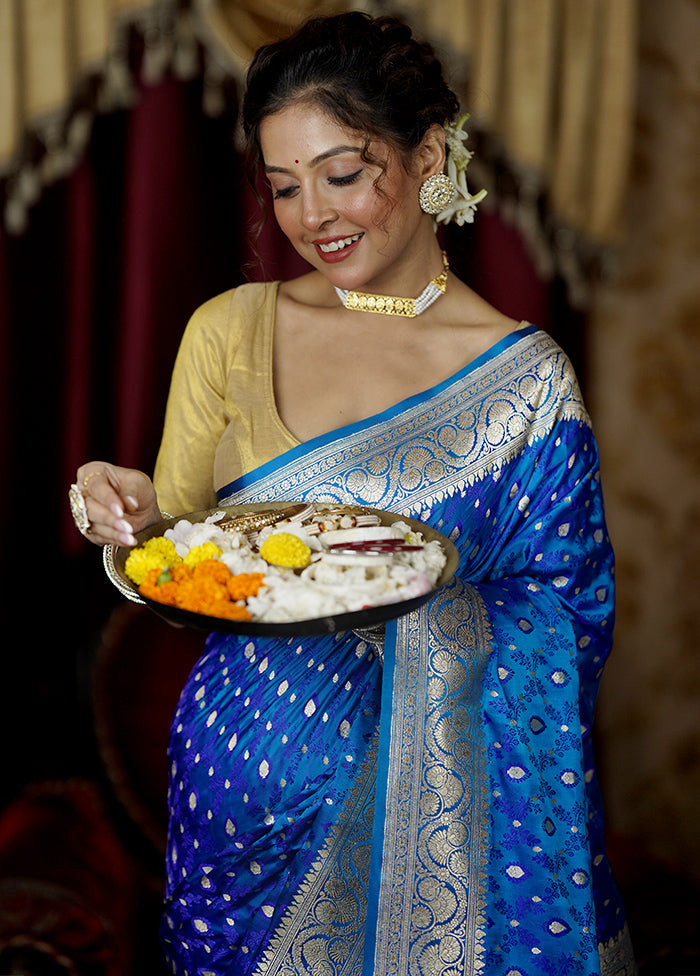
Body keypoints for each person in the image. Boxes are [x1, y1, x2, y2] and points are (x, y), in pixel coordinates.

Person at [70, 11, 636, 975]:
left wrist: (423, 619)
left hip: (429, 828)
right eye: (284, 187)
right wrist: (126, 514)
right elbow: (181, 569)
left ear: (427, 156)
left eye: (342, 175)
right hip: (237, 793)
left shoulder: (525, 382)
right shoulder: (229, 330)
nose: (312, 217)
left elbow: (569, 614)